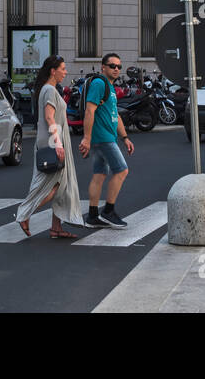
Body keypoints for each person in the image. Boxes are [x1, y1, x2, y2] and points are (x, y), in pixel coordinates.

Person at [15, 55, 83, 239]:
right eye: (62, 68)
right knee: (54, 185)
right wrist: (58, 143)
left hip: (50, 140)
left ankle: (56, 228)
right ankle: (25, 214)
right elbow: (49, 117)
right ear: (53, 71)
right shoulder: (50, 91)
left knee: (59, 185)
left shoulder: (48, 89)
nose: (65, 71)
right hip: (52, 141)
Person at [79, 53, 133, 229]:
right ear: (103, 67)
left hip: (106, 137)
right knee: (122, 171)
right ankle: (108, 211)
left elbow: (115, 114)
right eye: (112, 66)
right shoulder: (99, 83)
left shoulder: (109, 87)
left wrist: (125, 137)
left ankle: (93, 216)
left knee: (100, 174)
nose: (116, 69)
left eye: (119, 66)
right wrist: (86, 138)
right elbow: (89, 111)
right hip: (102, 138)